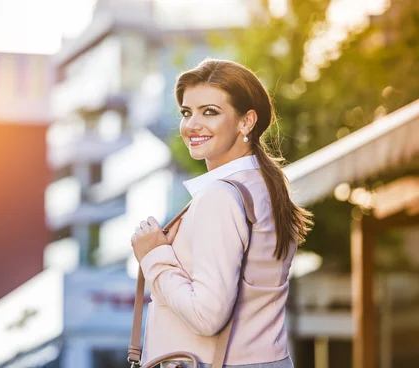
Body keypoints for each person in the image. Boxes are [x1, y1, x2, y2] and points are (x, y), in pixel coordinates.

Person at [130, 59, 313, 368]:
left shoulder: (219, 197)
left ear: (246, 122)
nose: (192, 125)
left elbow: (207, 317)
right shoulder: (266, 188)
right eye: (187, 112)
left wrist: (154, 256)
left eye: (210, 112)